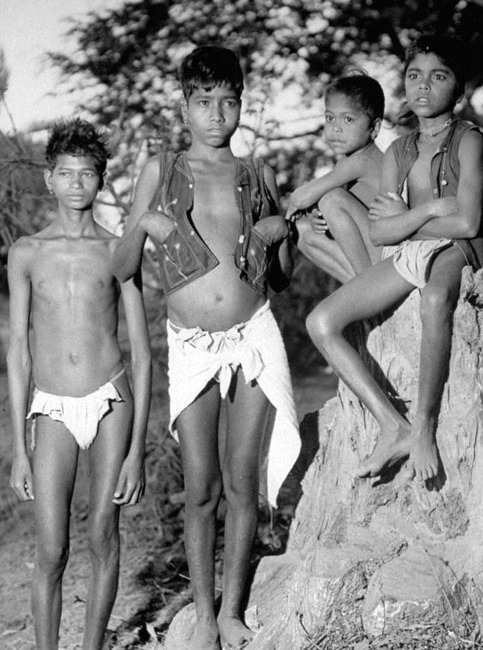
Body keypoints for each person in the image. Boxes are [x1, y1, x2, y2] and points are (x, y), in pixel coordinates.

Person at [112, 45, 300, 649]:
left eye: (229, 101)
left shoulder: (257, 175)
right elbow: (121, 267)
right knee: (202, 487)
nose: (218, 114)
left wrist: (280, 232)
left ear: (242, 102)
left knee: (243, 482)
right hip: (191, 342)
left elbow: (282, 276)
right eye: (203, 102)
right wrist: (143, 223)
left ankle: (231, 611)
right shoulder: (161, 170)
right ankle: (202, 611)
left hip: (253, 334)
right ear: (185, 106)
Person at [307, 34, 483, 483]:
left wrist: (407, 218)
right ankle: (393, 424)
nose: (424, 86)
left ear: (459, 88)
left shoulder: (471, 141)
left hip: (456, 252)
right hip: (411, 251)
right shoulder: (398, 150)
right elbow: (380, 230)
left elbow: (468, 224)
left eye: (438, 76)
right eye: (414, 76)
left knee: (434, 300)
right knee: (321, 323)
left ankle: (425, 426)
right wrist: (429, 210)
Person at [7, 118, 151, 650]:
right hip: (52, 409)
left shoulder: (118, 252)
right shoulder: (27, 252)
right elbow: (18, 352)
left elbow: (141, 354)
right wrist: (19, 449)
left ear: (100, 178)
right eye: (65, 173)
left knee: (102, 537)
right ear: (49, 179)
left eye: (86, 173)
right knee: (51, 550)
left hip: (110, 399)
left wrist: (137, 449)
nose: (75, 184)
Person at [286, 73, 385, 283]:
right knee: (301, 229)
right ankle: (361, 288)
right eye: (330, 118)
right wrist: (316, 218)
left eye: (348, 119)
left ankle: (369, 288)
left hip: (388, 254)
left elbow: (300, 198)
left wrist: (296, 204)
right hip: (371, 254)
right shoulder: (347, 161)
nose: (336, 128)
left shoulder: (363, 160)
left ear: (374, 128)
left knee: (331, 198)